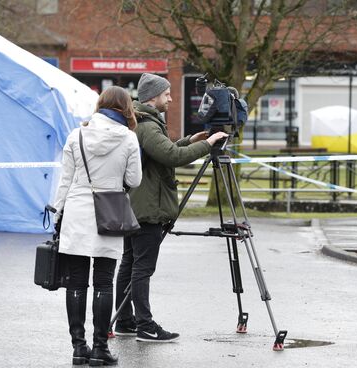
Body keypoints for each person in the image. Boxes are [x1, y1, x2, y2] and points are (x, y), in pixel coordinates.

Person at [114, 73, 228, 342]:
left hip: (137, 205)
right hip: (148, 208)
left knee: (130, 264)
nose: (171, 98)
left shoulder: (144, 122)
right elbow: (172, 157)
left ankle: (126, 321)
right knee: (142, 268)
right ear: (153, 96)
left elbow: (164, 152)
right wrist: (207, 144)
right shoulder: (147, 125)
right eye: (166, 94)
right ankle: (144, 325)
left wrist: (192, 140)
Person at [53, 86, 142, 365]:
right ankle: (100, 348)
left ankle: (79, 347)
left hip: (77, 211)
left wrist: (57, 215)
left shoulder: (76, 134)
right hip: (110, 211)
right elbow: (135, 179)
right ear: (126, 108)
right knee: (104, 281)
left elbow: (65, 181)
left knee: (76, 282)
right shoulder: (128, 138)